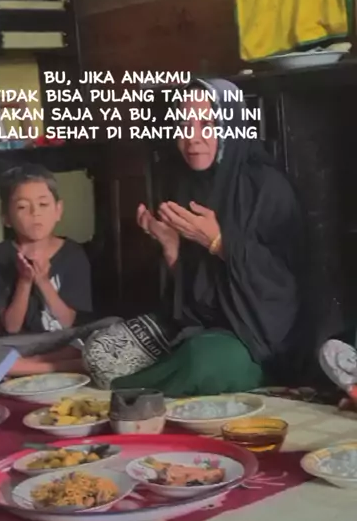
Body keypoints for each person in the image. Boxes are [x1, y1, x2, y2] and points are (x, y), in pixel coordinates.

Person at [82, 77, 309, 395]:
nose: (193, 139)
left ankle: (128, 393)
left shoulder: (266, 186)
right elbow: (191, 300)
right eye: (185, 125)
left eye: (207, 125)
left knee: (201, 358)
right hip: (198, 325)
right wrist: (171, 246)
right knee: (101, 354)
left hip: (255, 341)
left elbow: (286, 285)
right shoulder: (187, 184)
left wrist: (220, 242)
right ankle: (144, 382)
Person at [0, 164, 109, 381]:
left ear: (58, 210)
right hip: (23, 343)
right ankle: (61, 366)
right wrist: (25, 282)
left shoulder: (72, 253)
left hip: (66, 340)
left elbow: (67, 322)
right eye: (22, 207)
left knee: (112, 326)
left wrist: (43, 281)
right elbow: (12, 327)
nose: (35, 213)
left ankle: (22, 367)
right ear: (6, 218)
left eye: (43, 204)